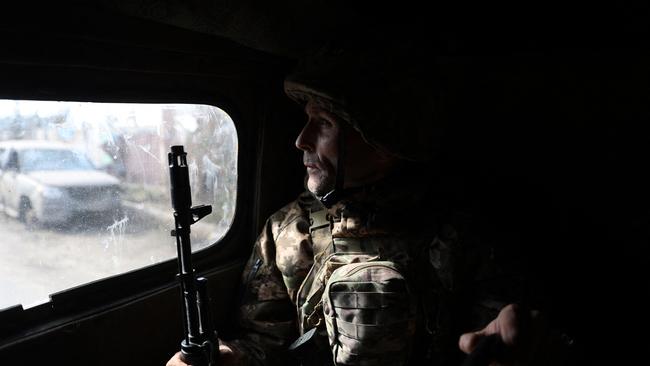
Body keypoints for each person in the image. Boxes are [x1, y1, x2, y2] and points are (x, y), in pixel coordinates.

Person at [167, 44, 570, 366]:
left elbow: (493, 340)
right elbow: (266, 343)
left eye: (324, 123)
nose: (301, 140)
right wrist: (229, 359)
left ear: (383, 141)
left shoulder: (467, 230)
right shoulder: (289, 231)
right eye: (307, 120)